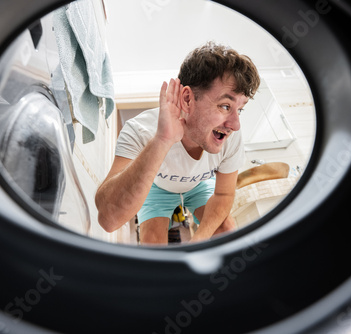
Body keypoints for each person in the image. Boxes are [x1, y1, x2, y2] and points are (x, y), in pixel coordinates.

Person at [95, 41, 260, 244]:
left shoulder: (231, 137)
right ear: (188, 99)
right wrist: (162, 140)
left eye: (240, 109)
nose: (235, 125)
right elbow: (108, 220)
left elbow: (224, 193)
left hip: (197, 186)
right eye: (225, 106)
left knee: (226, 230)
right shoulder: (139, 130)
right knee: (153, 246)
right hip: (157, 188)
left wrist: (199, 238)